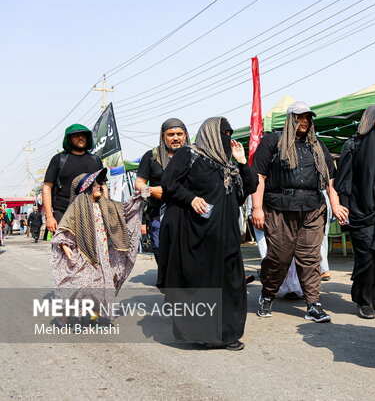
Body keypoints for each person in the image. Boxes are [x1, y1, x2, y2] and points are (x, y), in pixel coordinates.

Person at [159, 117, 257, 350]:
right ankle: (202, 334)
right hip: (197, 234)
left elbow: (249, 187)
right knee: (202, 284)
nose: (227, 138)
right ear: (210, 133)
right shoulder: (189, 155)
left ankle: (229, 334)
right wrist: (191, 198)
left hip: (228, 235)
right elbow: (168, 183)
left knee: (231, 284)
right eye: (222, 133)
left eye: (229, 133)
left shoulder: (228, 164)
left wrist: (242, 162)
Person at [251, 101, 348, 323]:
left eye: (307, 118)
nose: (304, 121)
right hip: (279, 207)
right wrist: (257, 208)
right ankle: (267, 294)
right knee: (279, 257)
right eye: (299, 117)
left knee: (310, 257)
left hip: (313, 208)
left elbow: (330, 181)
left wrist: (335, 205)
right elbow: (260, 177)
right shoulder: (272, 142)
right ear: (289, 119)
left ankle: (313, 304)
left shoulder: (317, 146)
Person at [49, 169, 149, 324]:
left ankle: (95, 311)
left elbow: (125, 209)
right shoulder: (77, 207)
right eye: (94, 185)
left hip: (103, 252)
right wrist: (64, 246)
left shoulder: (107, 205)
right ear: (85, 188)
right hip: (82, 251)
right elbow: (65, 227)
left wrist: (138, 197)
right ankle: (76, 309)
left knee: (101, 282)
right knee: (82, 282)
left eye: (98, 184)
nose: (98, 187)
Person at [335, 104, 375, 319]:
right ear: (370, 119)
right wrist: (344, 205)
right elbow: (344, 178)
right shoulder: (354, 144)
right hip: (360, 209)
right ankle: (363, 300)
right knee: (366, 256)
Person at [135, 118, 189, 289]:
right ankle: (165, 276)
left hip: (185, 209)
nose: (175, 138)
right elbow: (139, 182)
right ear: (163, 136)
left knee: (183, 246)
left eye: (179, 134)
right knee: (159, 246)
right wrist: (153, 191)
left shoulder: (193, 154)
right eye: (171, 134)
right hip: (158, 210)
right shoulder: (152, 156)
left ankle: (180, 279)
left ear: (185, 135)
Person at [43, 124, 107, 234]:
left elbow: (103, 186)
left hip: (91, 212)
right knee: (66, 248)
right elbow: (47, 187)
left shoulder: (95, 159)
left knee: (91, 249)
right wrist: (49, 216)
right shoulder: (59, 159)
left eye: (83, 135)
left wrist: (106, 211)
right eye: (76, 135)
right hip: (64, 212)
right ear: (69, 139)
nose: (80, 138)